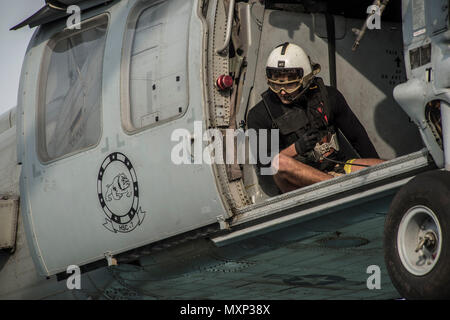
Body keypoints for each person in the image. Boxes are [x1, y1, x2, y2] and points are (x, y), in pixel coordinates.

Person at [247, 42, 384, 193]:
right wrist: (296, 148)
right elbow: (266, 167)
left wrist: (379, 171)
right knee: (280, 163)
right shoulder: (258, 115)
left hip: (337, 168)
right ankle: (339, 188)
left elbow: (357, 136)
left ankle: (342, 183)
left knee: (385, 167)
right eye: (277, 85)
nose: (283, 92)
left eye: (290, 85)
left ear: (306, 79)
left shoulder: (329, 97)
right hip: (298, 185)